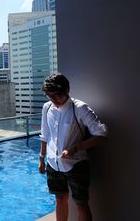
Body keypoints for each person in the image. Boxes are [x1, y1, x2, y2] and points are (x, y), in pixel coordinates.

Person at [38, 73, 107, 221]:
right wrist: (41, 158)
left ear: (67, 90)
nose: (54, 100)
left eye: (58, 95)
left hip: (76, 165)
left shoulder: (80, 108)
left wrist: (75, 149)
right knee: (59, 199)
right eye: (50, 96)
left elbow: (101, 134)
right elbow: (45, 134)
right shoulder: (47, 107)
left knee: (81, 204)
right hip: (52, 164)